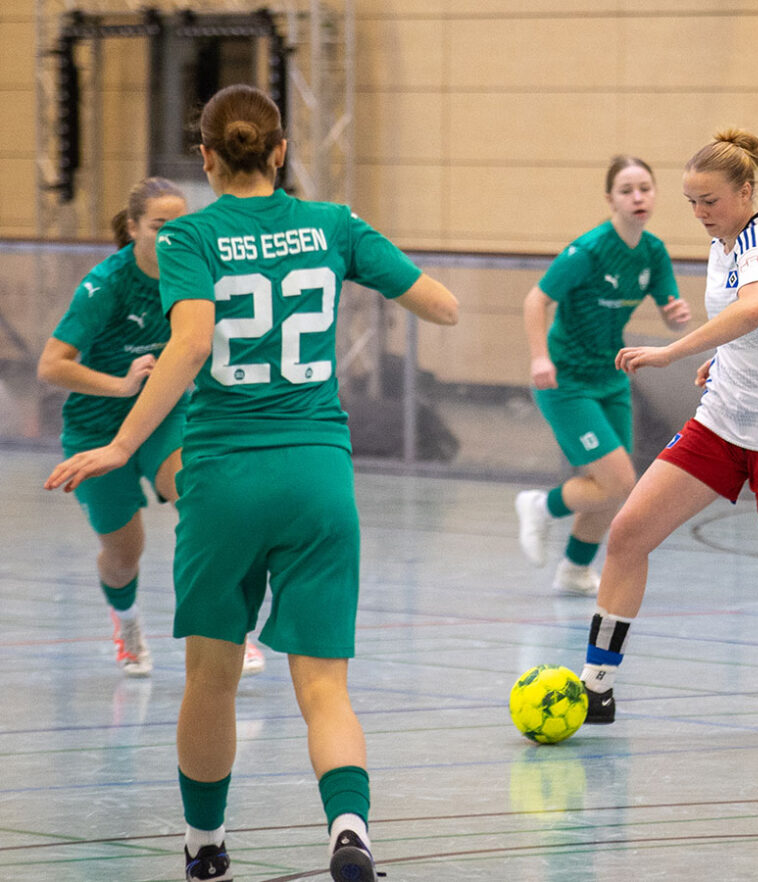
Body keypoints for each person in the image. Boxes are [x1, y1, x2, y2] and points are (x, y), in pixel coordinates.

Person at [44, 84, 459, 881]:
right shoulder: (334, 224)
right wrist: (377, 266)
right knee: (325, 686)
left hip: (225, 474)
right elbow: (439, 307)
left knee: (211, 677)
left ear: (204, 158)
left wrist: (123, 441)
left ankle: (205, 848)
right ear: (279, 153)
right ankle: (347, 826)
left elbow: (191, 343)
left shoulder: (188, 237)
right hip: (318, 476)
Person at [574, 127, 758, 730]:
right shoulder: (724, 242)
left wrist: (673, 352)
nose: (699, 213)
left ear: (745, 191)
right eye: (690, 202)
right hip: (721, 420)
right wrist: (738, 355)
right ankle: (597, 687)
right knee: (629, 533)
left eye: (709, 201)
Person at [38, 179, 268, 680]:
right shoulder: (106, 284)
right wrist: (120, 387)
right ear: (133, 228)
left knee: (203, 505)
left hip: (165, 418)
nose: (173, 237)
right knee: (125, 554)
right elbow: (52, 366)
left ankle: (231, 631)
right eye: (162, 227)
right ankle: (127, 623)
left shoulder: (193, 274)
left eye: (182, 226)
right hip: (96, 427)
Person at [514, 155, 690, 596]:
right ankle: (540, 505)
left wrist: (675, 315)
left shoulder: (652, 252)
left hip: (611, 380)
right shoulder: (588, 252)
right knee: (619, 483)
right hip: (567, 382)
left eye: (645, 188)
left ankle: (574, 570)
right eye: (627, 190)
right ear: (610, 198)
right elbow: (537, 300)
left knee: (609, 489)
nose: (637, 197)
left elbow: (672, 316)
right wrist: (540, 358)